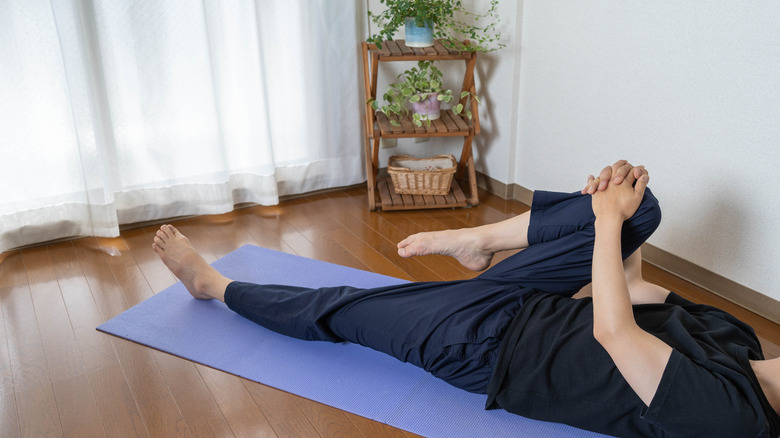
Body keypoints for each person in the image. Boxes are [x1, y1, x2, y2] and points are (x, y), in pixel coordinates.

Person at [152, 161, 780, 438]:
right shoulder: (740, 338)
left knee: (341, 309)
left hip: (488, 344)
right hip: (538, 296)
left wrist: (604, 222)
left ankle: (211, 284)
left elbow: (616, 333)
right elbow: (636, 290)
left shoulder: (735, 419)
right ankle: (480, 241)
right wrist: (616, 207)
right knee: (646, 208)